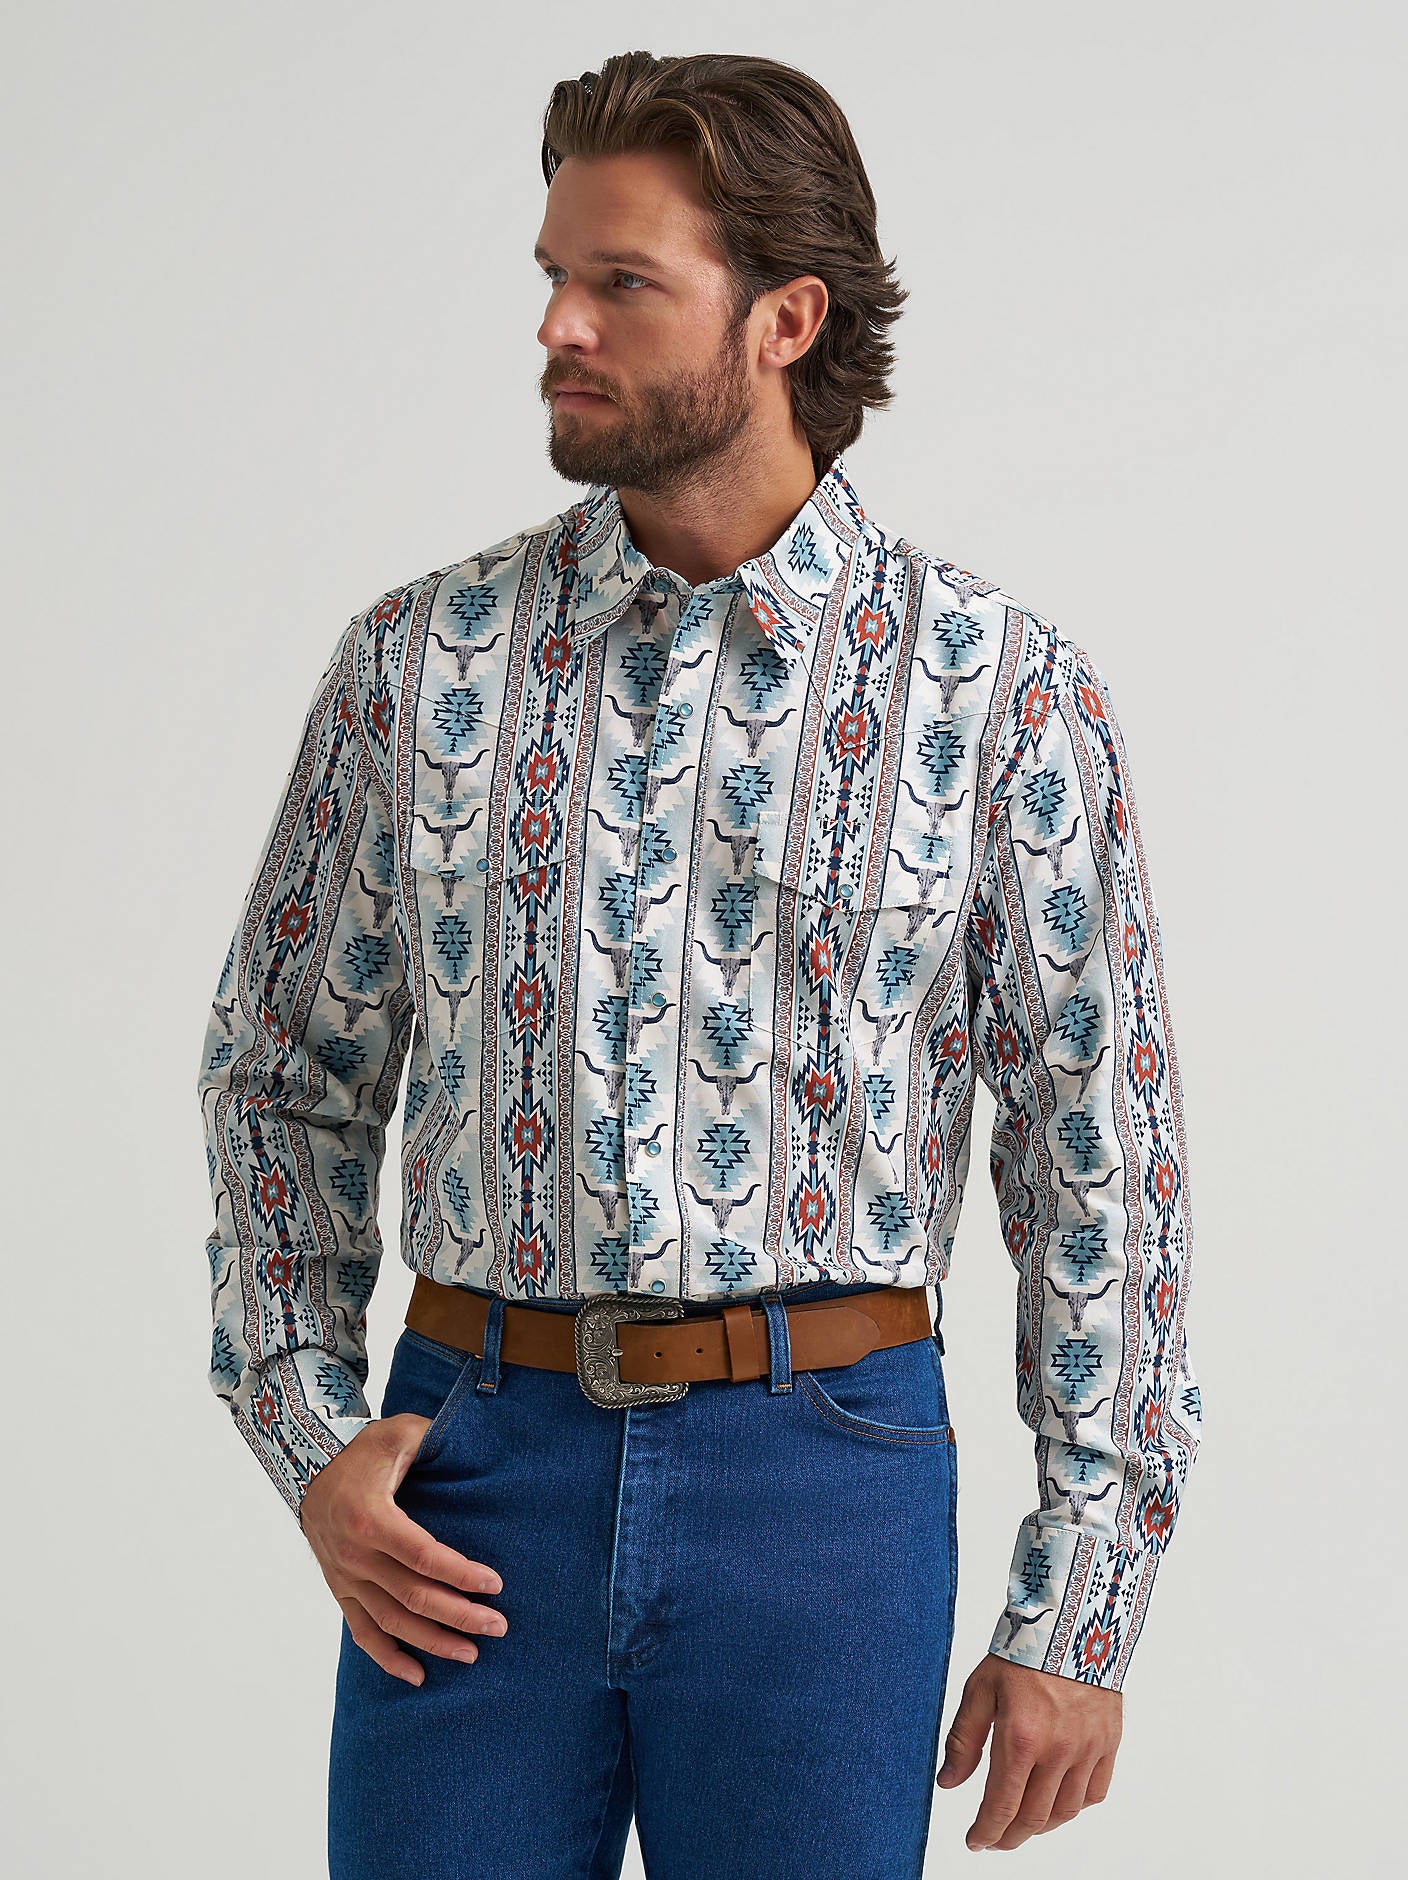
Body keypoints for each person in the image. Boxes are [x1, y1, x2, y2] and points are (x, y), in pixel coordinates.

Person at [196, 49, 1202, 1878]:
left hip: (824, 1484)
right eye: (551, 277)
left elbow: (1101, 1163)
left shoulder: (998, 692)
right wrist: (311, 1427)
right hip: (472, 1473)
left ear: (783, 321)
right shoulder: (418, 666)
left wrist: (1084, 1601)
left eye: (621, 283)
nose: (558, 327)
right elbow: (281, 1073)